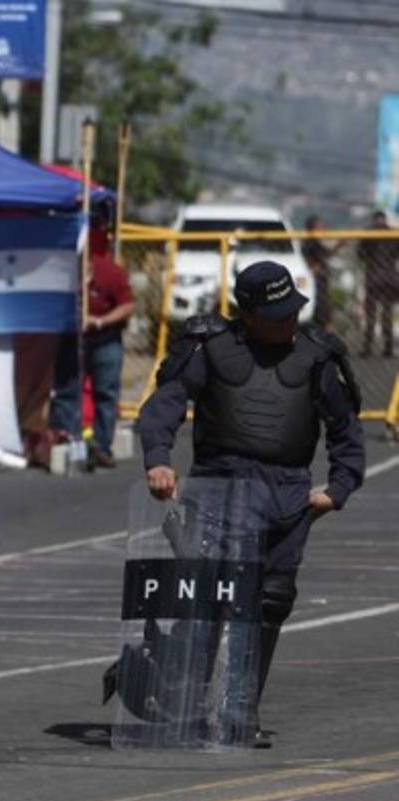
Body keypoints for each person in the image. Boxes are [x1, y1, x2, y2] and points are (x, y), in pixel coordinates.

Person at [137, 260, 365, 745]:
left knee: (269, 602)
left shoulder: (315, 358)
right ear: (247, 313)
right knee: (211, 600)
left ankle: (239, 713)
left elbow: (347, 434)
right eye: (277, 314)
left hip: (286, 496)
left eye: (292, 311)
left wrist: (337, 490)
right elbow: (163, 407)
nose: (289, 322)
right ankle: (179, 698)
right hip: (218, 488)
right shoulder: (211, 348)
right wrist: (158, 461)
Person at [50, 224, 135, 470]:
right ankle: (71, 442)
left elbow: (127, 306)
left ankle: (102, 445)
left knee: (106, 393)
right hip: (73, 339)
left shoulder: (109, 272)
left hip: (105, 339)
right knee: (68, 390)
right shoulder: (62, 275)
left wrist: (99, 321)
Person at [358, 211, 398, 358]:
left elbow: (361, 254)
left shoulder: (368, 233)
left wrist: (371, 256)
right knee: (387, 312)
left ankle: (367, 348)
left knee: (371, 314)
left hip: (373, 277)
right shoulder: (393, 234)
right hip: (390, 277)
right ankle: (388, 347)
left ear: (374, 219)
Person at [300, 215, 343, 331]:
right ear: (312, 228)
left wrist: (339, 245)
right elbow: (312, 263)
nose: (323, 228)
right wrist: (315, 268)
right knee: (321, 312)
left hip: (321, 283)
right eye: (320, 225)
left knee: (324, 310)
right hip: (316, 283)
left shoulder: (315, 242)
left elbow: (326, 254)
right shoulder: (309, 242)